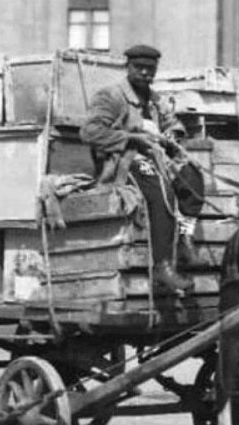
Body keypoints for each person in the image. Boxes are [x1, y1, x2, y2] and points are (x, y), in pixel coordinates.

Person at [80, 44, 205, 296]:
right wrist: (132, 138)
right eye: (140, 68)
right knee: (160, 190)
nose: (146, 74)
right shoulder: (111, 96)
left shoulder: (155, 99)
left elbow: (174, 124)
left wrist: (172, 133)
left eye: (151, 69)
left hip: (155, 157)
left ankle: (184, 240)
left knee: (193, 176)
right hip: (120, 162)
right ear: (128, 67)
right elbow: (90, 132)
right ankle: (162, 266)